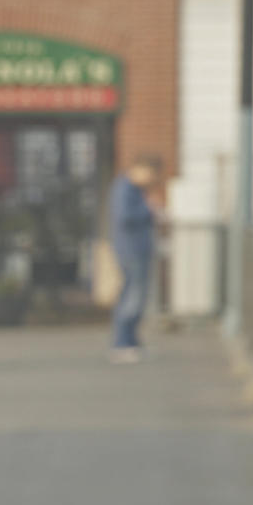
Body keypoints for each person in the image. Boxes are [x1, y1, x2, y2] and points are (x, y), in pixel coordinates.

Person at [109, 155, 162, 362]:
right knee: (132, 296)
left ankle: (130, 341)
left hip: (136, 248)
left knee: (134, 296)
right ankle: (122, 343)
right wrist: (149, 209)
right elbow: (125, 217)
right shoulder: (126, 189)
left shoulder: (134, 190)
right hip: (132, 249)